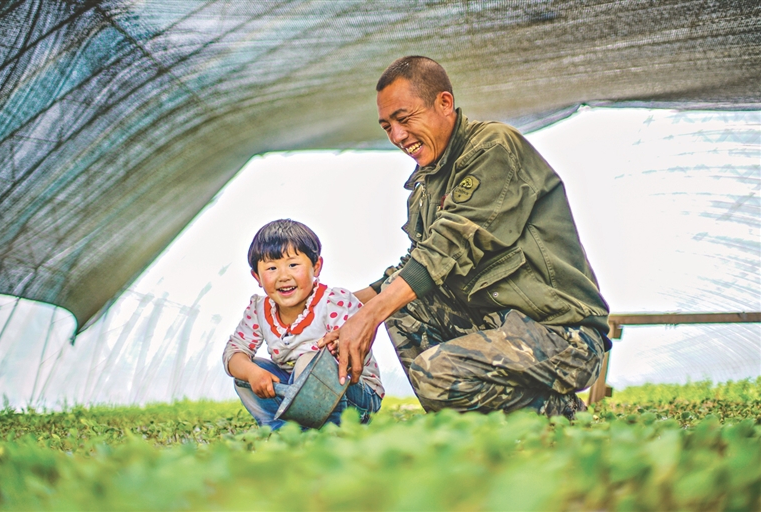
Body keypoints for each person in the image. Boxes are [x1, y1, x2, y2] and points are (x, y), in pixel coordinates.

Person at [320, 56, 612, 419]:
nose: (397, 136)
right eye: (386, 126)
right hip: (500, 325)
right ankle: (470, 421)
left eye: (404, 118)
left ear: (444, 103)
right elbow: (413, 267)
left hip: (563, 336)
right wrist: (332, 304)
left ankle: (560, 412)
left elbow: (446, 248)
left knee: (431, 370)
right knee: (403, 304)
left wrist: (367, 319)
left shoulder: (493, 148)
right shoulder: (427, 183)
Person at [223, 219, 383, 430]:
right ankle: (279, 428)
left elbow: (350, 354)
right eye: (271, 268)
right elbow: (234, 351)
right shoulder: (259, 309)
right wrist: (252, 373)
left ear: (316, 267)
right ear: (257, 277)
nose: (283, 276)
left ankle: (330, 429)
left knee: (309, 362)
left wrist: (325, 357)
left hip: (355, 394)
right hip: (295, 389)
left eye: (293, 265)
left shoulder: (334, 302)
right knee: (244, 376)